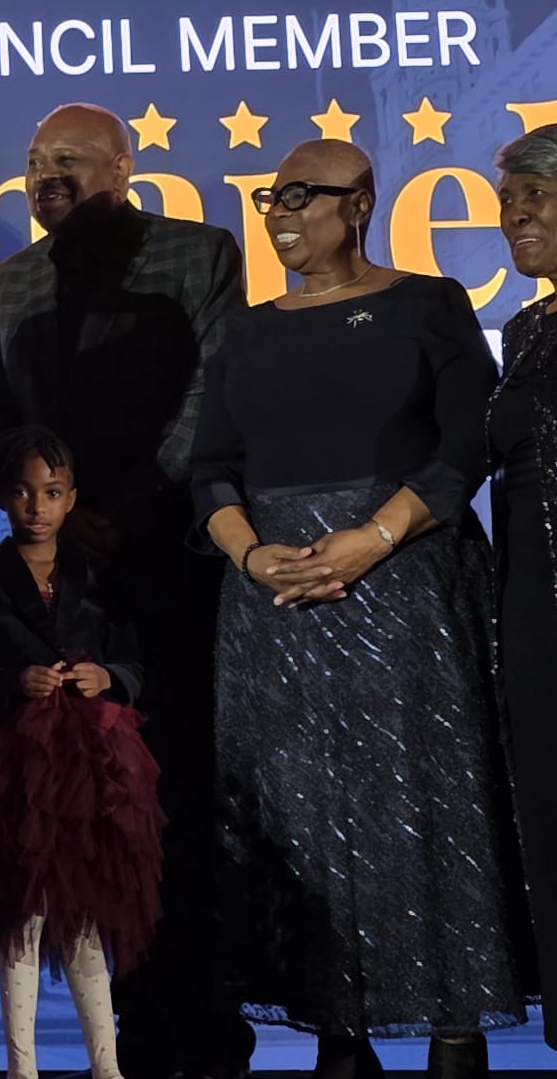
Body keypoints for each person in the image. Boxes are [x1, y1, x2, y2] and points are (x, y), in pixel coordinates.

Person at [191, 139, 532, 1076]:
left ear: (361, 203)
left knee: (431, 812)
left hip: (409, 588)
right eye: (273, 198)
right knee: (303, 819)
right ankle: (336, 1030)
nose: (284, 212)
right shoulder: (247, 333)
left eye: (305, 194)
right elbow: (211, 470)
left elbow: (465, 450)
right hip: (277, 608)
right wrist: (253, 553)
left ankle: (453, 1031)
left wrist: (371, 538)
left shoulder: (428, 304)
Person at [0, 102, 247, 1079]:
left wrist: (119, 504)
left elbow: (211, 393)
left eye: (69, 160)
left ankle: (207, 1030)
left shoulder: (196, 253)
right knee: (96, 807)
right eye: (34, 161)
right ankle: (122, 1035)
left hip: (171, 560)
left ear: (123, 166)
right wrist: (51, 510)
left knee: (181, 790)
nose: (47, 174)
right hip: (66, 575)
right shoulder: (12, 281)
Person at [0, 425, 162, 1079]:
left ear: (71, 500)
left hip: (91, 766)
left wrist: (109, 678)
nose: (37, 506)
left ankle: (108, 1067)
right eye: (22, 492)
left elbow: (136, 661)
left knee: (88, 919)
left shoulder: (99, 577)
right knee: (22, 921)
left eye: (51, 492)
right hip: (11, 767)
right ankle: (22, 1069)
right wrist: (14, 682)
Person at [489, 122, 557, 1046]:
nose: (516, 217)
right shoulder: (524, 328)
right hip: (533, 605)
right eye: (508, 201)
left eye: (536, 196)